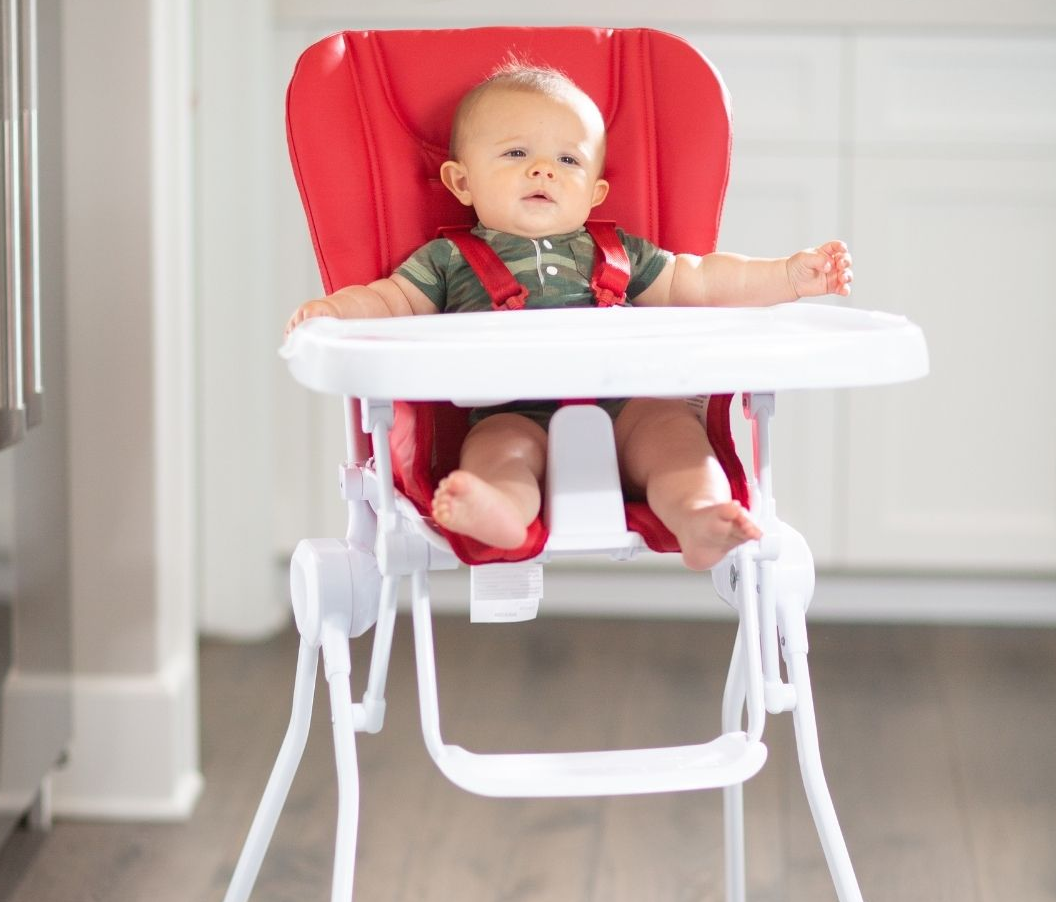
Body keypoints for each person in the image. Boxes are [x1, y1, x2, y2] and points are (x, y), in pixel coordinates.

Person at [287, 64, 853, 569]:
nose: (543, 171)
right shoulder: (449, 259)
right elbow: (389, 301)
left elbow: (701, 280)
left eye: (567, 160)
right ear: (462, 181)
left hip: (628, 408)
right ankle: (501, 513)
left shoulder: (617, 252)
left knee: (677, 438)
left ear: (595, 191)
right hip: (512, 410)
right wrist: (333, 312)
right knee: (497, 453)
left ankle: (700, 514)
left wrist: (787, 277)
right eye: (516, 154)